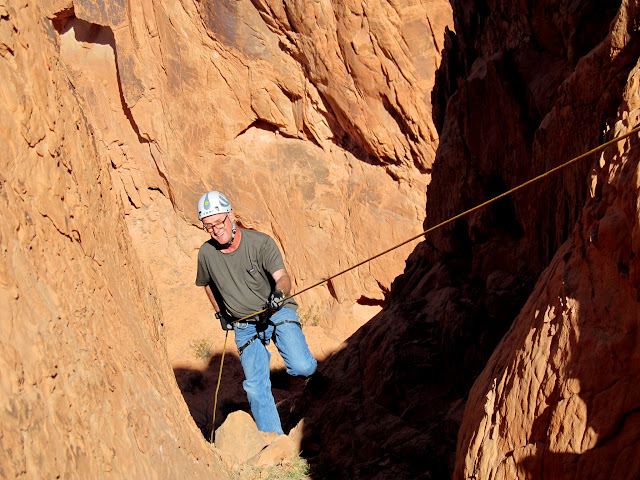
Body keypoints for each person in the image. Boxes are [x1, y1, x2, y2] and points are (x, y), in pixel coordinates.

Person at [195, 190, 317, 435]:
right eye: (209, 226)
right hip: (244, 325)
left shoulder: (260, 243)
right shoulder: (207, 254)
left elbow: (282, 277)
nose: (216, 230)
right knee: (255, 387)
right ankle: (274, 442)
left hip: (276, 312)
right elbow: (206, 283)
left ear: (231, 215)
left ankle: (316, 384)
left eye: (219, 222)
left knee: (302, 366)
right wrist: (221, 314)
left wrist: (278, 295)